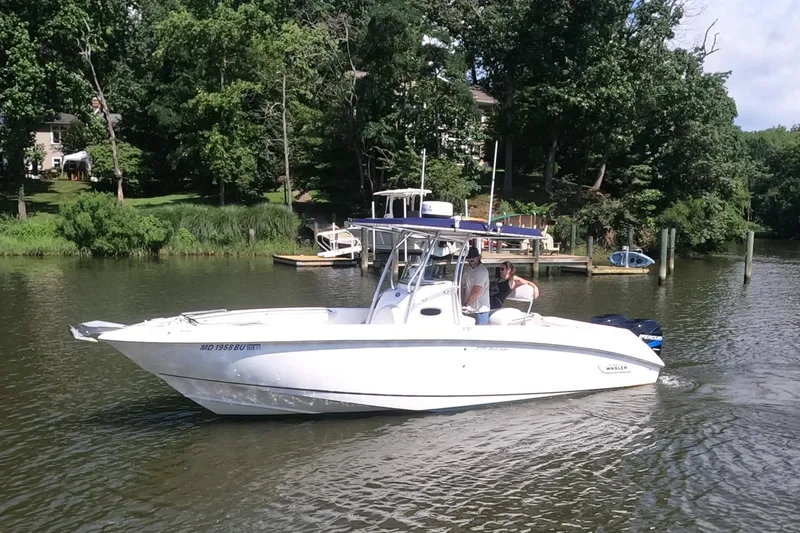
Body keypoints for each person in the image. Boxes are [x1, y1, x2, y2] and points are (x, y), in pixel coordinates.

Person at [461, 246, 491, 325]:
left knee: (481, 335)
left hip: (480, 311)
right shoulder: (467, 270)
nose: (471, 259)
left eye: (473, 257)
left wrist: (467, 305)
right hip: (468, 310)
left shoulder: (482, 271)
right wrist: (461, 303)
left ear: (479, 257)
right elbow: (463, 288)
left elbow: (476, 292)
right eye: (469, 257)